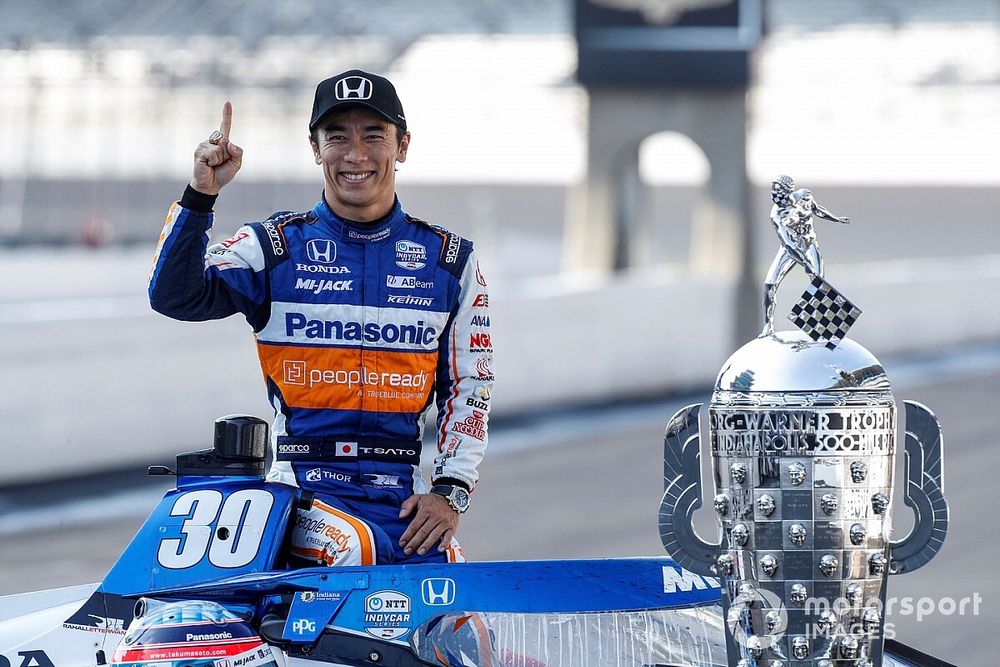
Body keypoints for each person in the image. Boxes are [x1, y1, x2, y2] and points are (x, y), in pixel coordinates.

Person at [148, 70, 494, 566]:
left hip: (404, 496)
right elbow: (173, 296)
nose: (355, 154)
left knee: (462, 629)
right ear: (315, 147)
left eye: (373, 135)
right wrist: (201, 195)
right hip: (300, 491)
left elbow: (471, 386)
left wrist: (451, 491)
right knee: (358, 553)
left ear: (403, 146)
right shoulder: (271, 246)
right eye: (337, 137)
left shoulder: (450, 261)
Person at [761, 175, 850, 335]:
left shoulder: (805, 195)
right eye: (773, 190)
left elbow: (817, 210)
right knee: (769, 285)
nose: (774, 194)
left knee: (819, 282)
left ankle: (826, 325)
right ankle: (768, 326)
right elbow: (788, 244)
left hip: (809, 245)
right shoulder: (777, 215)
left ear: (788, 190)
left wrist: (835, 218)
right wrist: (805, 263)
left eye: (778, 190)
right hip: (790, 250)